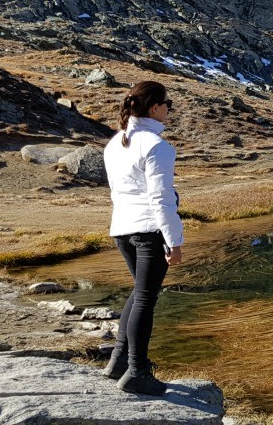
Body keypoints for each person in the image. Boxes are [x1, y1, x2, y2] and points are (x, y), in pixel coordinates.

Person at [101, 80, 184, 396]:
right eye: (168, 104)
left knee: (139, 294)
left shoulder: (115, 143)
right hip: (149, 232)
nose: (169, 109)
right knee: (146, 299)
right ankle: (137, 372)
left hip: (123, 229)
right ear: (154, 107)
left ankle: (118, 362)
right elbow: (161, 198)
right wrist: (174, 241)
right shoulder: (157, 146)